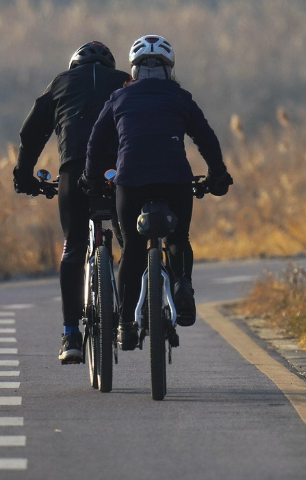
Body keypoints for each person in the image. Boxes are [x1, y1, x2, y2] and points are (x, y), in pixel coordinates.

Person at [81, 35, 233, 351]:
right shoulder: (181, 98)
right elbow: (207, 140)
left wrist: (91, 179)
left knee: (133, 251)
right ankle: (183, 285)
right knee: (178, 239)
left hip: (130, 182)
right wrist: (218, 176)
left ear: (133, 70)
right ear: (169, 69)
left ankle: (125, 325)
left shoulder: (119, 99)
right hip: (175, 181)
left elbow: (96, 142)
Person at [13, 41, 130, 364]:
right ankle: (128, 319)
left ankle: (70, 335)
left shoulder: (60, 83)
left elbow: (31, 133)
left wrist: (24, 176)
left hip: (74, 169)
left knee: (74, 245)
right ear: (110, 66)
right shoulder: (124, 81)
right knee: (130, 243)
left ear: (74, 65)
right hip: (118, 169)